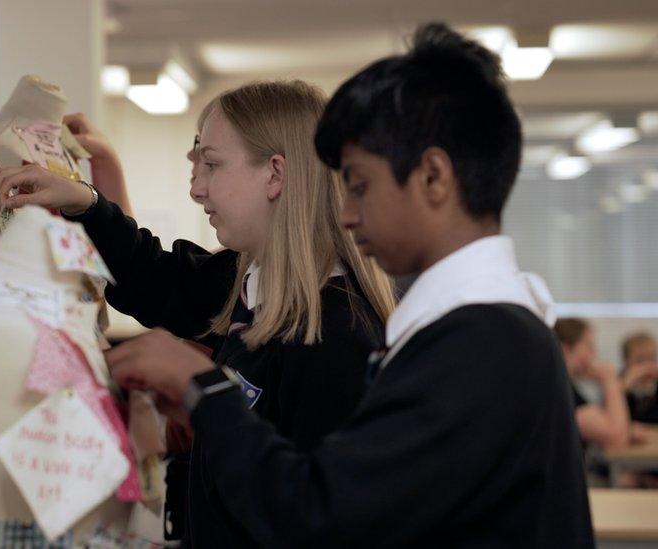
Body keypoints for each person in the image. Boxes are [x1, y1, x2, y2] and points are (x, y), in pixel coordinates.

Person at [102, 23, 595, 547]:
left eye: (359, 187)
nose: (348, 214)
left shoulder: (483, 343)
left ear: (433, 178)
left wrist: (204, 388)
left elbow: (322, 515)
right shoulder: (473, 331)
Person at [0, 81, 395, 546]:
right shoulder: (250, 281)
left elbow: (318, 517)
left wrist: (203, 391)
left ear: (275, 174)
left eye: (212, 164)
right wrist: (85, 202)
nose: (196, 188)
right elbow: (158, 280)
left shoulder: (336, 335)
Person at [554, 317, 632, 449]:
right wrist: (609, 378)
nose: (594, 353)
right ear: (566, 348)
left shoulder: (565, 386)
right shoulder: (559, 392)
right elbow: (617, 437)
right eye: (589, 345)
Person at [621, 331, 658, 423]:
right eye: (640, 361)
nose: (647, 367)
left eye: (652, 359)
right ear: (626, 361)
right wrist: (625, 385)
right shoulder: (617, 383)